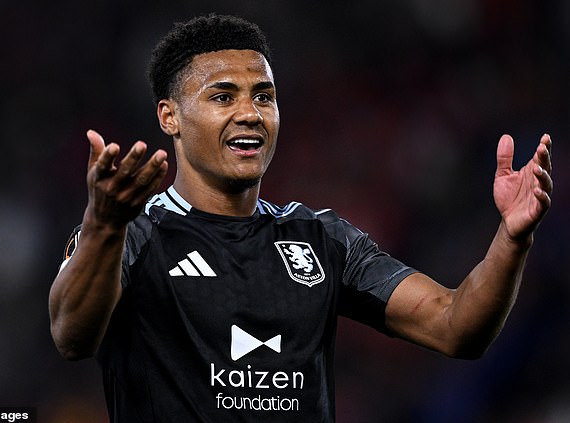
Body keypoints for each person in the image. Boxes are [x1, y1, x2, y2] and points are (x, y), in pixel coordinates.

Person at [48, 14, 553, 422]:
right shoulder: (133, 233)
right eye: (223, 96)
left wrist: (512, 238)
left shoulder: (321, 238)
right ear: (170, 117)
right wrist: (105, 226)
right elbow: (71, 335)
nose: (250, 113)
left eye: (263, 96)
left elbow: (455, 326)